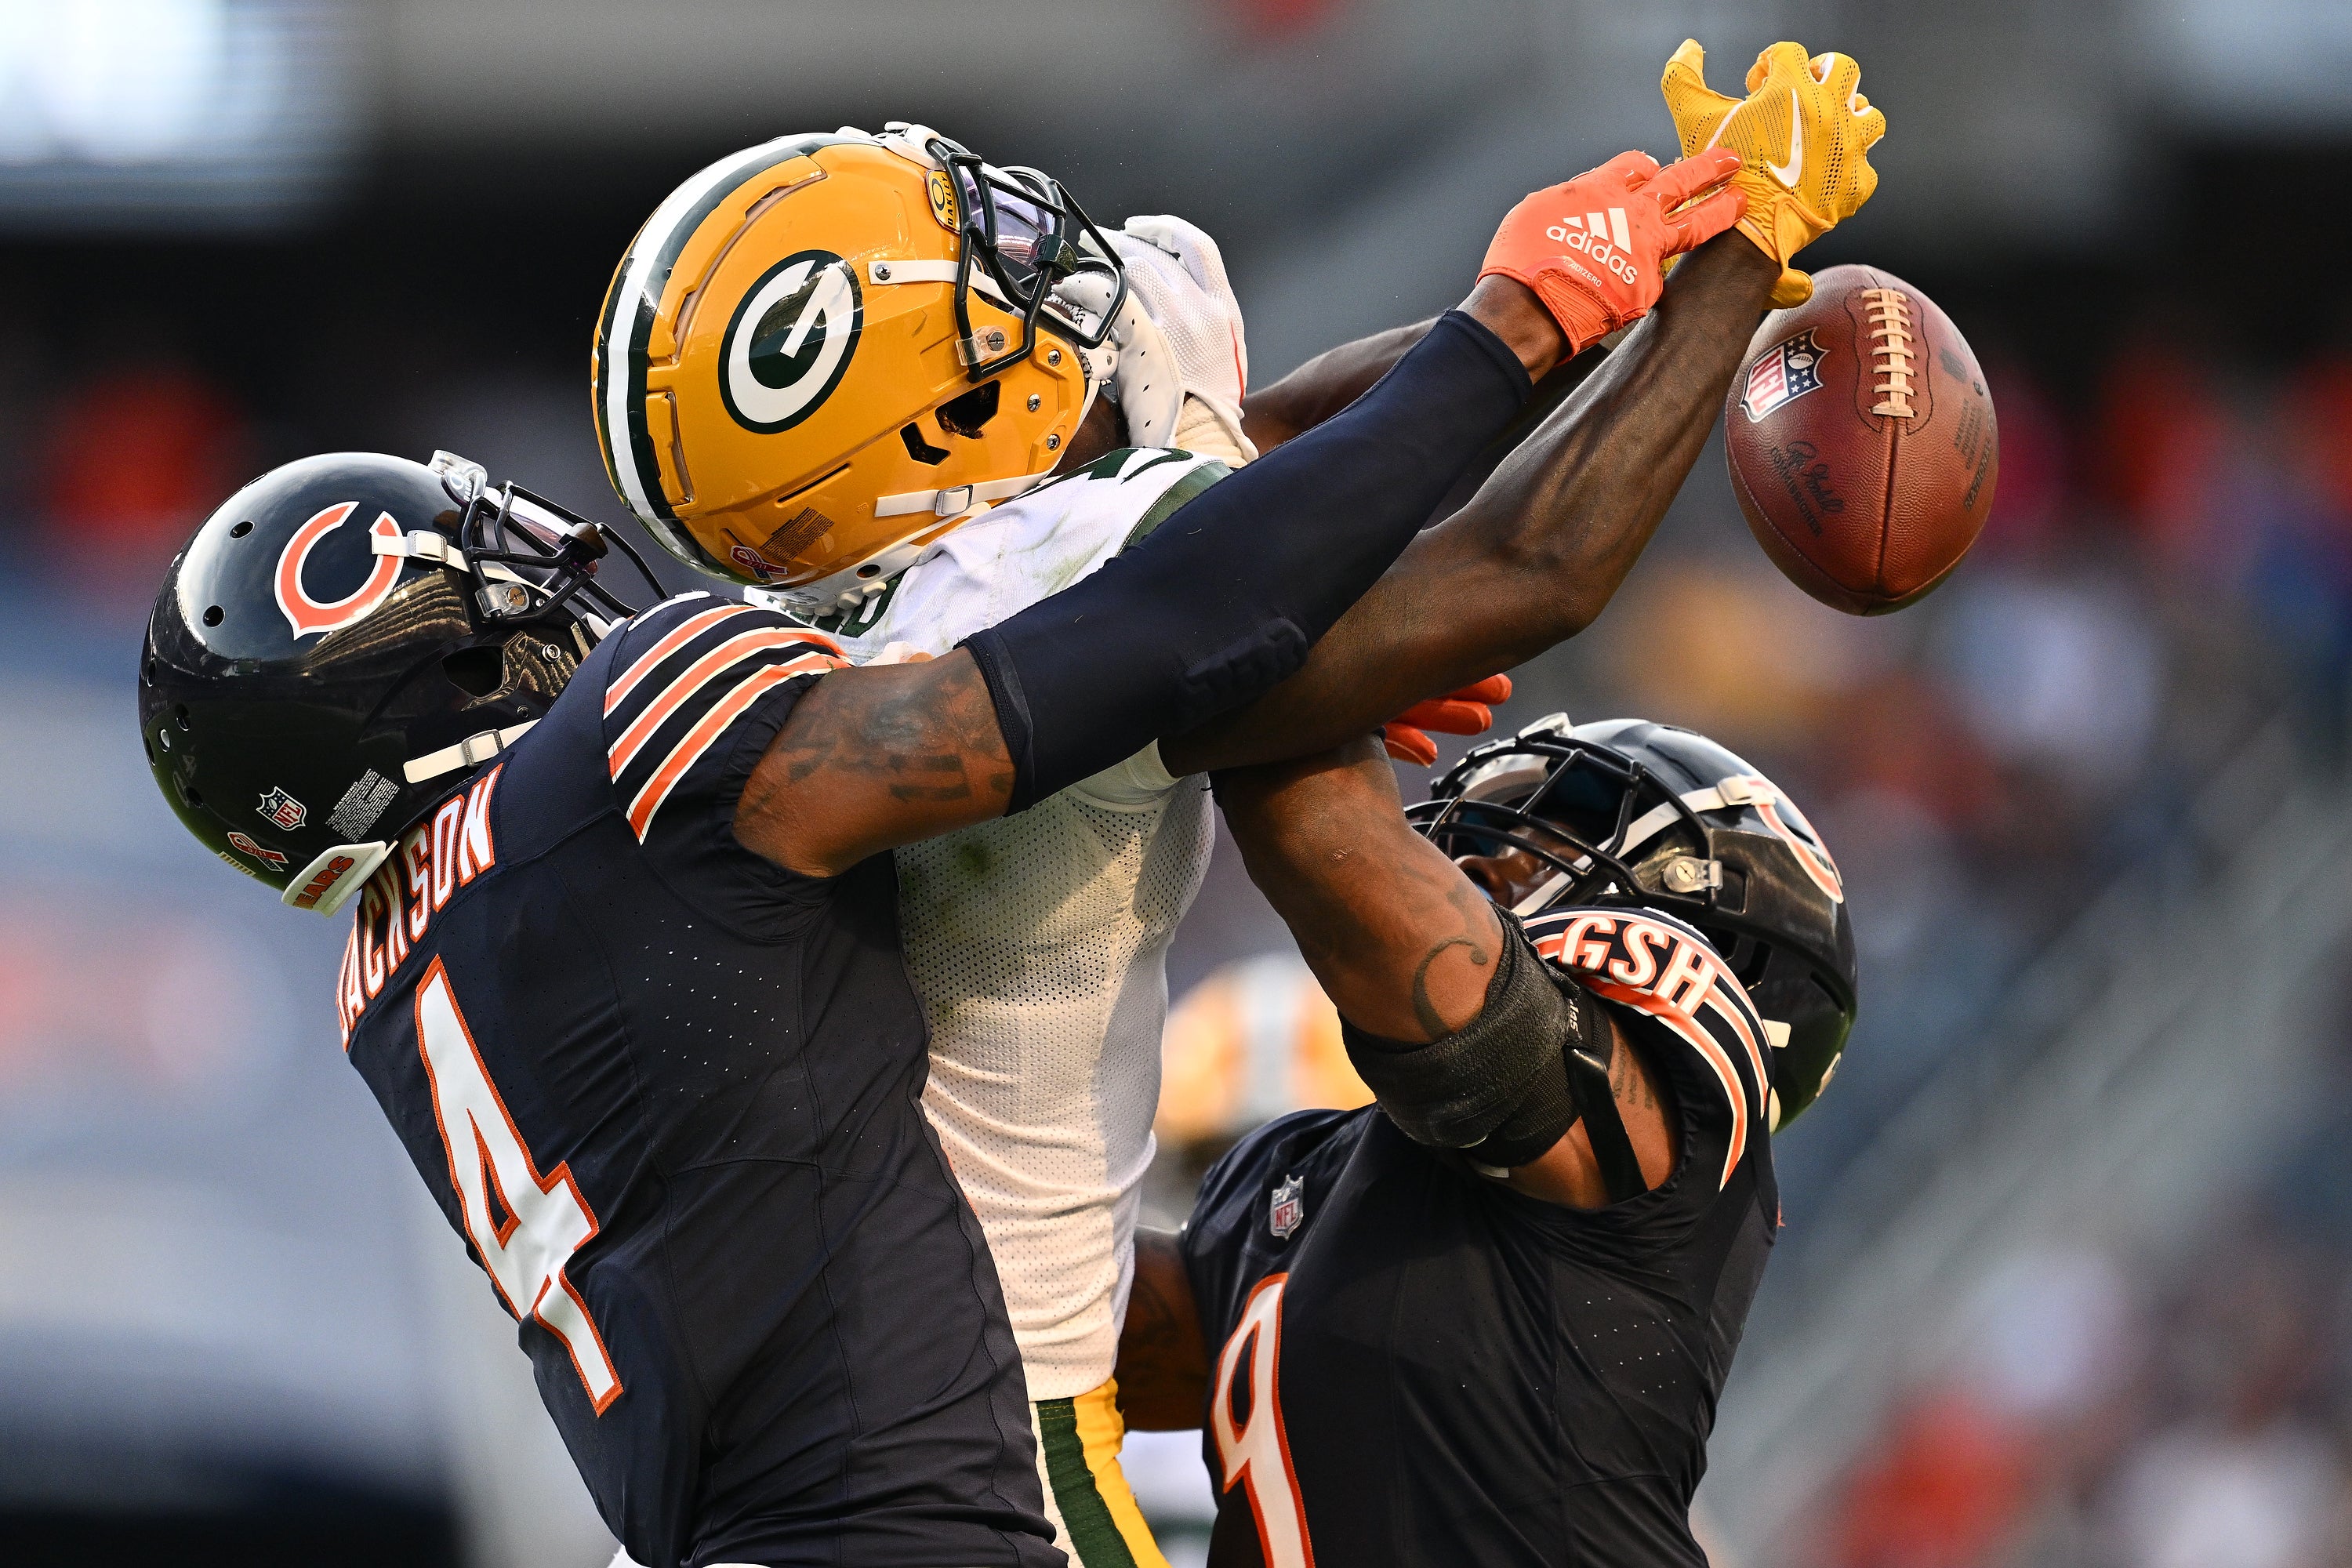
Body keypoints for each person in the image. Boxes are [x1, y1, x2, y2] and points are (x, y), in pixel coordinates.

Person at [136, 133, 1748, 1566]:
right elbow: (1113, 642)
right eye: (504, 587)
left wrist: (1269, 644)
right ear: (445, 668)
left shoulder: (396, 964)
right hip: (935, 1505)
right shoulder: (647, 734)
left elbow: (1124, 593)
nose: (564, 575)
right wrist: (1525, 328)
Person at [583, 42, 1881, 1561]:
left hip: (838, 1419)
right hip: (967, 1449)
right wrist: (1719, 264)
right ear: (924, 433)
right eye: (973, 287)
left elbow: (1257, 494)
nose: (1026, 277)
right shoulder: (1053, 574)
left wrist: (1626, 292)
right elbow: (1479, 562)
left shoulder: (843, 627)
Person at [1112, 713, 1860, 1566]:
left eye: (1553, 841)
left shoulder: (1664, 1133)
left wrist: (1305, 644)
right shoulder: (1312, 1177)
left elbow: (1320, 832)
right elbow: (1077, 1335)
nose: (1475, 857)